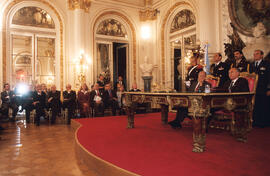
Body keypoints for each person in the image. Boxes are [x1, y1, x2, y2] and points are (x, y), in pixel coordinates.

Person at [249, 50, 270, 127]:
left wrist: (269, 89)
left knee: (263, 106)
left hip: (263, 89)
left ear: (262, 55)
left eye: (257, 54)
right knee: (255, 106)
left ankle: (264, 123)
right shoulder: (251, 65)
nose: (255, 55)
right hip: (254, 90)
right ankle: (255, 122)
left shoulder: (267, 64)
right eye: (254, 54)